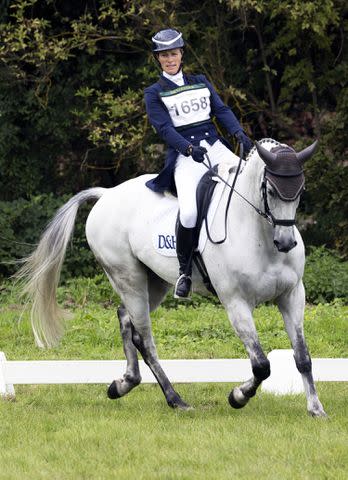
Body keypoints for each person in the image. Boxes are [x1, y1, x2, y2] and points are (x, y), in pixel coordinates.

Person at [144, 28, 253, 299]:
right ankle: (185, 273)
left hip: (216, 147)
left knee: (249, 184)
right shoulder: (154, 92)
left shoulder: (201, 81)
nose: (170, 59)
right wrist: (187, 148)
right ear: (158, 59)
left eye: (174, 53)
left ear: (181, 54)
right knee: (190, 212)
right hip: (186, 156)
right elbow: (164, 129)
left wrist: (238, 132)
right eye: (164, 55)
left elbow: (221, 110)